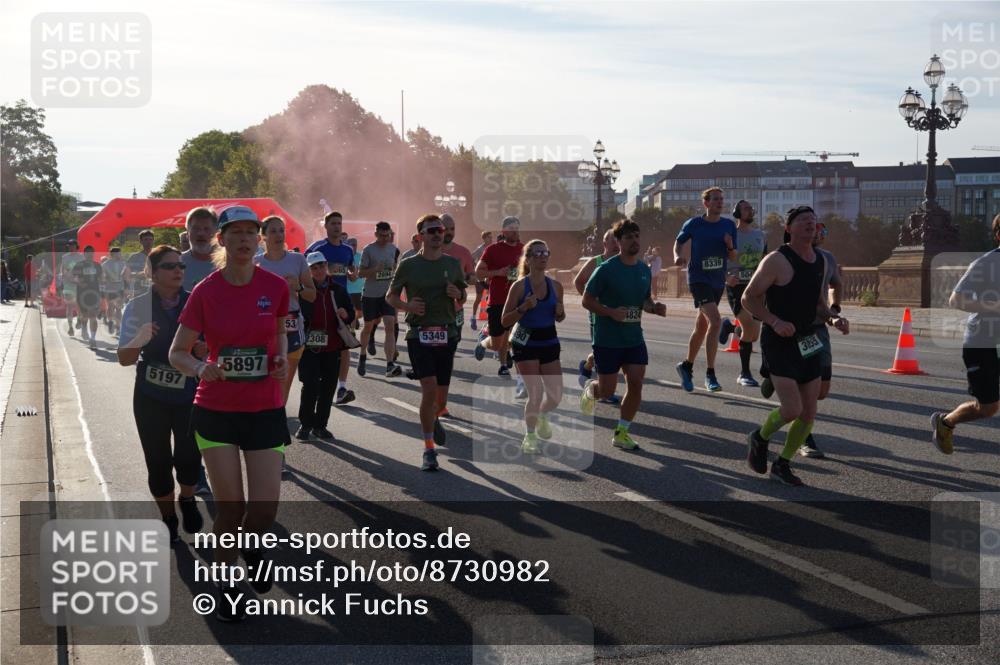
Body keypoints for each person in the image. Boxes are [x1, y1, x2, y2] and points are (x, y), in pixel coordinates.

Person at [169, 205, 290, 621]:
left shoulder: (275, 287)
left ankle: (253, 547)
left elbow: (278, 331)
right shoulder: (205, 291)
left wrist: (281, 359)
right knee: (231, 508)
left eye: (250, 232)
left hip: (265, 409)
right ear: (221, 239)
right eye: (234, 232)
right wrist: (202, 367)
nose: (243, 239)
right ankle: (226, 582)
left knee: (264, 510)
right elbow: (177, 353)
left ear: (259, 239)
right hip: (216, 409)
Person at [743, 206, 849, 486]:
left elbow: (818, 305)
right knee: (791, 409)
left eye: (813, 221)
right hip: (779, 340)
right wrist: (774, 320)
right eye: (802, 221)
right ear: (788, 228)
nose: (809, 225)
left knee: (809, 411)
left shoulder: (823, 261)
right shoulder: (776, 260)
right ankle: (760, 437)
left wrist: (834, 319)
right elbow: (749, 298)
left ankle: (783, 463)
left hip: (809, 339)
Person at [117, 245, 205, 542]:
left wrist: (203, 351)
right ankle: (167, 517)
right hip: (150, 395)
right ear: (152, 273)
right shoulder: (137, 306)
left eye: (181, 265)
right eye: (169, 266)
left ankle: (188, 499)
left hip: (189, 395)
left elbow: (211, 348)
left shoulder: (196, 302)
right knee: (157, 460)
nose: (178, 270)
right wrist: (139, 338)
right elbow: (125, 359)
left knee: (190, 456)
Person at [387, 214, 467, 471]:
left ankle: (434, 416)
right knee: (429, 389)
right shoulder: (408, 264)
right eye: (431, 230)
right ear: (420, 235)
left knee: (441, 401)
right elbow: (391, 297)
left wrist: (459, 294)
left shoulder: (453, 264)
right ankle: (429, 449)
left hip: (446, 333)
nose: (436, 234)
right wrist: (407, 305)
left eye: (440, 230)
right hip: (419, 334)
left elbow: (462, 294)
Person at [580, 219, 667, 450]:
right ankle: (591, 389)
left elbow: (644, 301)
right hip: (607, 339)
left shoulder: (643, 270)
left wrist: (654, 307)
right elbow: (586, 300)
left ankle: (622, 432)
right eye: (628, 237)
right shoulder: (605, 269)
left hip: (633, 338)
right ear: (618, 242)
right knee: (607, 390)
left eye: (636, 236)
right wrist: (609, 312)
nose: (634, 241)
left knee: (636, 383)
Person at [931, 213, 1000, 454]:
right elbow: (956, 299)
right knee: (988, 408)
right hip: (982, 343)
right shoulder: (985, 263)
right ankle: (946, 422)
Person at [501, 240, 565, 454]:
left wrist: (560, 313)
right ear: (527, 259)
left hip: (548, 340)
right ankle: (529, 436)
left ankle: (543, 415)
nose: (542, 256)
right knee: (535, 393)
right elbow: (504, 321)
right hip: (525, 341)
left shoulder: (556, 286)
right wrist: (524, 307)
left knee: (555, 395)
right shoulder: (519, 286)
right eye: (537, 253)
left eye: (545, 252)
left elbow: (560, 318)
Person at [674, 187, 738, 392]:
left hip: (717, 281)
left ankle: (686, 366)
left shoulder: (728, 225)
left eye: (722, 199)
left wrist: (729, 246)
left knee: (702, 326)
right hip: (698, 279)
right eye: (716, 199)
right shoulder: (694, 223)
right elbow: (679, 242)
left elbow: (733, 256)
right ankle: (710, 375)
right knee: (716, 320)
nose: (720, 202)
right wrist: (677, 256)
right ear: (706, 203)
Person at [254, 215, 316, 406]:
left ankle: (277, 420)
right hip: (263, 325)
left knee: (284, 381)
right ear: (263, 237)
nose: (278, 234)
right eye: (272, 231)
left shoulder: (297, 259)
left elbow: (312, 295)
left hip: (292, 324)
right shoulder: (255, 262)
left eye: (281, 230)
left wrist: (297, 287)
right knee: (262, 379)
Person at [296, 252, 354, 441]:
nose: (318, 270)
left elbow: (351, 314)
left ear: (326, 266)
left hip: (332, 346)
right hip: (309, 346)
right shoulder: (303, 291)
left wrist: (346, 314)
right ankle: (305, 424)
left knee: (328, 388)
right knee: (310, 385)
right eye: (313, 267)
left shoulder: (337, 289)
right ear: (308, 270)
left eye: (321, 266)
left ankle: (320, 426)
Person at [798, 222, 843, 458]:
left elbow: (836, 284)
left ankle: (778, 378)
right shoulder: (787, 256)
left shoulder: (827, 258)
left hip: (820, 326)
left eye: (819, 230)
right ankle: (805, 437)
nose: (814, 233)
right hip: (800, 329)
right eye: (810, 227)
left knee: (822, 391)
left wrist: (834, 309)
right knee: (807, 387)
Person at [307, 211, 357, 405]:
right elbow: (304, 267)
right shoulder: (317, 247)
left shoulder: (347, 250)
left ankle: (341, 388)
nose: (337, 227)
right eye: (333, 224)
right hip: (320, 300)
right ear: (326, 227)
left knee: (345, 343)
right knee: (319, 344)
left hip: (342, 301)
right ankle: (318, 381)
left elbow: (352, 269)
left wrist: (353, 274)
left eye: (339, 223)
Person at [719, 200, 767, 387]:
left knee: (753, 335)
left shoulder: (761, 235)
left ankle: (729, 327)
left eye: (751, 208)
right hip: (737, 286)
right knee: (748, 327)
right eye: (746, 208)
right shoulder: (730, 235)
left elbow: (765, 262)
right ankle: (744, 373)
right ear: (737, 213)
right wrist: (725, 277)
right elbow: (718, 260)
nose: (750, 211)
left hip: (757, 287)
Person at [574, 229, 622, 404]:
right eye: (612, 240)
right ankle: (605, 390)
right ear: (605, 244)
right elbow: (578, 281)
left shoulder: (623, 262)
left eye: (618, 240)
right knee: (606, 352)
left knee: (612, 351)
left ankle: (587, 367)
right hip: (599, 316)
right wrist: (590, 302)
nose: (616, 244)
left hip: (620, 316)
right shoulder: (596, 262)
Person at [474, 216, 524, 377]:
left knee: (510, 337)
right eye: (511, 228)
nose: (515, 231)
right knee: (497, 343)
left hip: (517, 300)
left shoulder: (525, 249)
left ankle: (503, 366)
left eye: (517, 227)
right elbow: (478, 272)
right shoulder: (493, 250)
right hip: (497, 300)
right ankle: (483, 340)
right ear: (503, 231)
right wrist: (497, 272)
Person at [440, 213, 477, 405]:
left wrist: (464, 277)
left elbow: (472, 276)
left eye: (452, 229)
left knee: (452, 345)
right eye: (446, 228)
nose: (449, 232)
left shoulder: (463, 252)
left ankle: (441, 375)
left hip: (456, 309)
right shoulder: (428, 252)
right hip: (433, 312)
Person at [357, 221, 402, 378]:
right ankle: (362, 354)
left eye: (387, 235)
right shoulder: (369, 250)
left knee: (390, 325)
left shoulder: (394, 249)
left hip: (387, 296)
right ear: (376, 234)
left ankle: (390, 364)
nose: (385, 238)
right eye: (382, 235)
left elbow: (397, 270)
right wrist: (375, 270)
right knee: (368, 326)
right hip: (370, 295)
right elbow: (361, 273)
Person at [72, 246, 104, 349]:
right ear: (84, 254)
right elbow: (74, 277)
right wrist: (80, 283)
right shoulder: (79, 265)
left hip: (94, 293)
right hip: (82, 293)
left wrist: (102, 293)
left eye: (91, 252)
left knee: (93, 315)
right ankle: (83, 326)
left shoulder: (97, 265)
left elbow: (101, 279)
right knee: (84, 315)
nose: (90, 254)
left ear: (93, 254)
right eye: (87, 252)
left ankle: (93, 339)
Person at [181, 207, 219, 291]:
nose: (201, 233)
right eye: (196, 228)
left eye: (206, 229)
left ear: (216, 234)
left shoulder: (228, 264)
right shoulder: (175, 264)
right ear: (187, 233)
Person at [470, 230, 493, 330]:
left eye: (491, 237)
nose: (491, 239)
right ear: (484, 238)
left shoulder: (493, 248)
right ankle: (473, 317)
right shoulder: (480, 249)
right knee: (478, 298)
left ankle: (490, 321)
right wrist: (475, 268)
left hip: (490, 277)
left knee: (491, 299)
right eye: (489, 237)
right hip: (480, 278)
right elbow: (471, 257)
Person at [60, 239, 84, 334]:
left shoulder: (81, 257)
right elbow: (63, 270)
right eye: (69, 245)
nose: (71, 247)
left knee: (79, 306)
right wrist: (69, 278)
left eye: (73, 245)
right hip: (68, 285)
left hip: (79, 285)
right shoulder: (64, 257)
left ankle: (79, 319)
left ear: (76, 246)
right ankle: (70, 327)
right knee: (69, 306)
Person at [101, 247, 127, 333]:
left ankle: (116, 325)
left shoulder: (123, 263)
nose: (120, 255)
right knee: (113, 307)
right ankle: (112, 322)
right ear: (112, 254)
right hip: (111, 289)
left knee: (116, 308)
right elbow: (102, 278)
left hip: (119, 289)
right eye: (118, 253)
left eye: (120, 253)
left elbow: (127, 277)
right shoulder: (105, 264)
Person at [125, 230, 155, 301]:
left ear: (153, 241)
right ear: (141, 241)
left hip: (155, 291)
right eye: (146, 239)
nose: (148, 242)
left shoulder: (158, 255)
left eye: (150, 239)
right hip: (138, 292)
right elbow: (126, 275)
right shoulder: (133, 257)